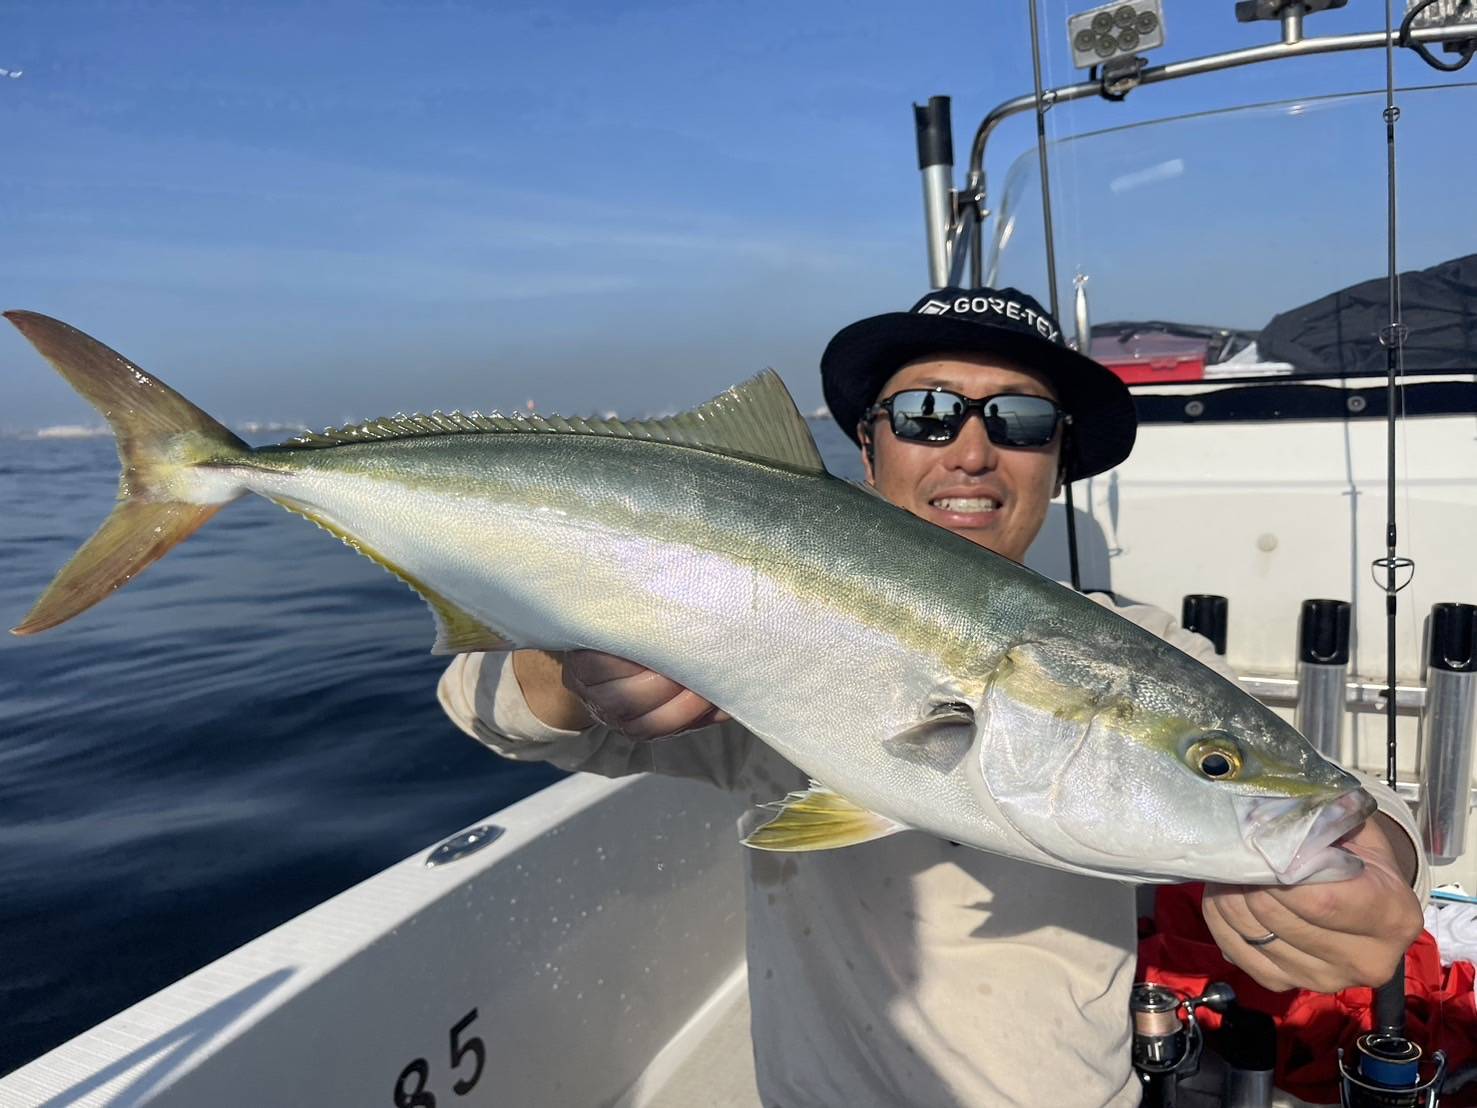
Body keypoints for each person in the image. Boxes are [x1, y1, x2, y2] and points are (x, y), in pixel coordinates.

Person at [439, 287, 1427, 1107]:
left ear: (1054, 463)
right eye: (924, 412)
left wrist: (1371, 867)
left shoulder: (1137, 649)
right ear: (865, 448)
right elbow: (478, 699)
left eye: (1021, 419)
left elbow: (1336, 801)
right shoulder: (742, 618)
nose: (969, 449)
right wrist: (574, 672)